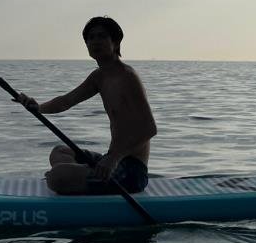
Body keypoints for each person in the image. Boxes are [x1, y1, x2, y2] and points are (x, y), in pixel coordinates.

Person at [15, 16, 157, 195]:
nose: (95, 41)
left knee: (58, 176)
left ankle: (69, 179)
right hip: (110, 160)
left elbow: (149, 129)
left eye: (102, 36)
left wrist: (113, 159)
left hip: (131, 172)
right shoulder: (99, 77)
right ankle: (78, 178)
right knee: (59, 153)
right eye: (90, 38)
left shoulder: (127, 77)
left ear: (116, 41)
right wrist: (38, 107)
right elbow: (65, 101)